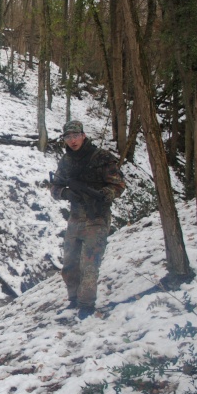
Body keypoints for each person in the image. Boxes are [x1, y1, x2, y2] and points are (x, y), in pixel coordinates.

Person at [50, 121, 125, 319]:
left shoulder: (102, 157)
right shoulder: (66, 161)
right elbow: (55, 188)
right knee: (70, 263)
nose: (72, 141)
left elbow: (119, 185)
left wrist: (104, 194)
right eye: (67, 137)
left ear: (83, 135)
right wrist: (66, 193)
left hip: (97, 217)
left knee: (90, 263)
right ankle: (73, 299)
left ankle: (86, 305)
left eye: (75, 136)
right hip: (75, 217)